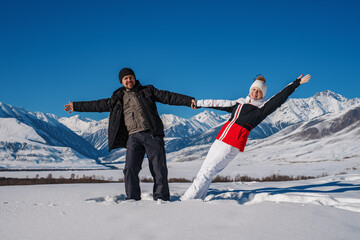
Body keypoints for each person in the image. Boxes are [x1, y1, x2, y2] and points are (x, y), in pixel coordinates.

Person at [65, 67, 196, 201]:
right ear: (122, 82)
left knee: (158, 169)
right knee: (129, 169)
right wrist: (76, 106)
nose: (129, 80)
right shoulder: (118, 98)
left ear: (134, 78)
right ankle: (132, 199)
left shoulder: (147, 91)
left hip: (152, 134)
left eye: (130, 77)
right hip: (133, 137)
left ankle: (161, 198)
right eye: (125, 78)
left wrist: (188, 101)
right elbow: (97, 105)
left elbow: (168, 97)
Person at [181, 74, 311, 200]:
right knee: (207, 172)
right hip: (222, 141)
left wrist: (295, 84)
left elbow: (278, 98)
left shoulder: (261, 109)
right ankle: (197, 200)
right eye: (254, 89)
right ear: (250, 90)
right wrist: (198, 103)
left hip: (229, 143)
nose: (255, 93)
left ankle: (187, 200)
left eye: (259, 91)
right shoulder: (239, 103)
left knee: (206, 172)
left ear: (263, 95)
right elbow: (218, 103)